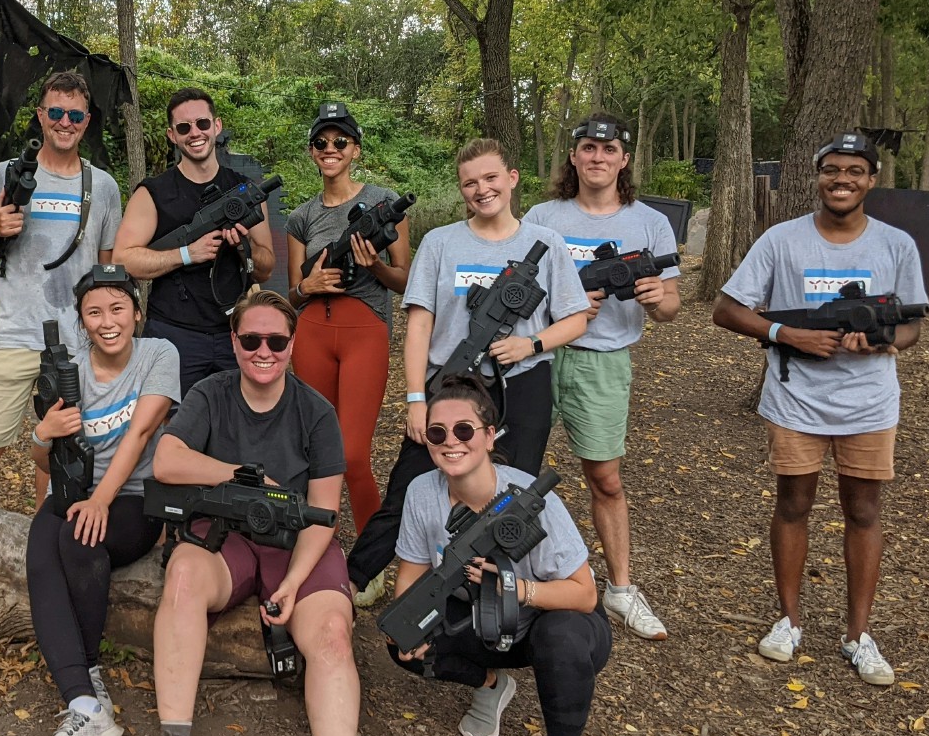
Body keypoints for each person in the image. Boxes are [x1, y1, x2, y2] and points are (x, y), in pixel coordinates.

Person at [126, 291, 359, 736]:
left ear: (291, 346)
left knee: (330, 631)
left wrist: (294, 582)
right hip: (224, 537)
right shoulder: (212, 394)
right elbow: (167, 460)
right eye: (250, 340)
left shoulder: (315, 412)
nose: (262, 351)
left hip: (296, 544)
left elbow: (325, 515)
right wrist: (245, 479)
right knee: (181, 574)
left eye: (276, 341)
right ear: (233, 342)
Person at [713, 132, 926, 686]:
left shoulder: (896, 245)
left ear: (872, 180)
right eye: (832, 170)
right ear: (817, 176)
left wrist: (882, 340)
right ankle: (789, 621)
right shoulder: (781, 242)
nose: (842, 180)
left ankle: (859, 635)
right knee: (793, 505)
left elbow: (912, 326)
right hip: (796, 401)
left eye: (855, 171)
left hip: (870, 403)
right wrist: (789, 334)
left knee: (863, 512)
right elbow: (726, 309)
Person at [345, 138, 588, 607]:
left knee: (510, 496)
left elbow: (576, 318)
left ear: (512, 178)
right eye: (470, 183)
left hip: (523, 384)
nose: (482, 190)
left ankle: (492, 596)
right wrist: (417, 399)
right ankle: (351, 580)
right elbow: (419, 325)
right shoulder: (441, 242)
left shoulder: (547, 244)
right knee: (406, 490)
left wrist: (530, 344)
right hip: (449, 386)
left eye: (491, 178)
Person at [387, 375, 611, 736]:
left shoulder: (526, 497)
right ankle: (490, 686)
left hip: (554, 618)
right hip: (482, 617)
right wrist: (409, 621)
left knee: (560, 635)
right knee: (403, 638)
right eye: (437, 432)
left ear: (490, 436)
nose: (451, 442)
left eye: (465, 430)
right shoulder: (421, 492)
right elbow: (410, 571)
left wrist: (517, 588)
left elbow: (584, 594)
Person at [523, 114, 680, 642]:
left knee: (605, 479)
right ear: (573, 156)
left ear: (623, 159)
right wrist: (564, 304)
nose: (597, 157)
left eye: (608, 150)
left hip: (603, 360)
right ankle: (515, 580)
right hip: (537, 356)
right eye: (588, 147)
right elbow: (517, 285)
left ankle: (620, 588)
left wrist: (661, 300)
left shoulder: (650, 223)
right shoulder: (542, 216)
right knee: (514, 469)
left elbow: (671, 305)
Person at [26, 264, 180, 736]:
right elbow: (45, 457)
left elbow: (139, 435)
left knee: (77, 539)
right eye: (94, 312)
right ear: (82, 320)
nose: (106, 321)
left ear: (137, 312)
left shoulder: (159, 354)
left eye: (117, 308)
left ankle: (86, 672)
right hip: (78, 491)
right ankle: (85, 702)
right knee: (39, 545)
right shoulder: (65, 368)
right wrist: (41, 434)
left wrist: (99, 500)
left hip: (136, 499)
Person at [0, 70, 123, 506]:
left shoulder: (103, 187)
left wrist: (110, 337)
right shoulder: (8, 173)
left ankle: (49, 552)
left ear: (87, 121)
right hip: (12, 333)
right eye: (57, 112)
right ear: (41, 116)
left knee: (61, 452)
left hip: (76, 343)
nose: (66, 122)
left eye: (75, 115)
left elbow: (108, 270)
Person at [284, 102, 410, 568]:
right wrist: (307, 286)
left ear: (355, 149)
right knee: (313, 451)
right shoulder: (301, 216)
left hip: (364, 331)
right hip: (314, 332)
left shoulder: (383, 201)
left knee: (354, 455)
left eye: (340, 141)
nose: (330, 149)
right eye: (321, 142)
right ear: (312, 151)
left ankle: (370, 564)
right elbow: (290, 296)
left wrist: (373, 265)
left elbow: (405, 280)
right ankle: (314, 550)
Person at [113, 88, 276, 396]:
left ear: (217, 126)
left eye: (202, 123)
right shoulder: (153, 193)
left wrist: (245, 251)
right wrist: (187, 254)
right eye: (184, 128)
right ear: (172, 135)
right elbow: (123, 260)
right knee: (170, 431)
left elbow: (266, 268)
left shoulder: (245, 190)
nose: (195, 133)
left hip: (235, 331)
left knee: (236, 429)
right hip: (173, 334)